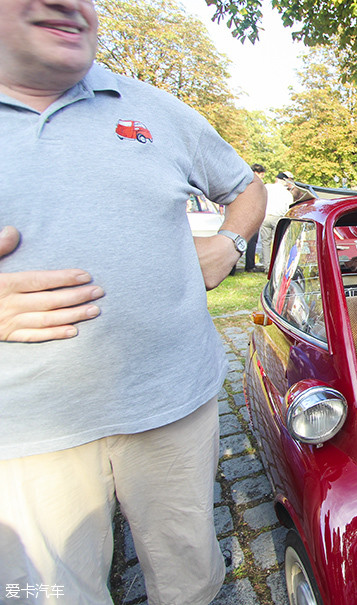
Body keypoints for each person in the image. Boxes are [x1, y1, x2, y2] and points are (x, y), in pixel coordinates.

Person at [0, 1, 267, 603]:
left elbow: (247, 187)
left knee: (191, 581)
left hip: (173, 405)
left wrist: (228, 244)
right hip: (26, 434)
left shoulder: (154, 108)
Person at [259, 168, 294, 272]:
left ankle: (266, 266)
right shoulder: (287, 193)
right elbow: (288, 207)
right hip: (279, 218)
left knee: (265, 242)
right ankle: (277, 266)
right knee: (278, 243)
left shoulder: (267, 187)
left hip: (266, 216)